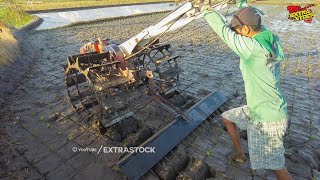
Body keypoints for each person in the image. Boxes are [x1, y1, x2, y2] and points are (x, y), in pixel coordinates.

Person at [199, 1, 292, 180]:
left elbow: (223, 31)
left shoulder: (251, 49)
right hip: (258, 108)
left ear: (247, 30)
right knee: (227, 118)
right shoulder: (265, 35)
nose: (236, 33)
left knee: (277, 168)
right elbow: (249, 12)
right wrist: (241, 3)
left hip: (268, 119)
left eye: (238, 30)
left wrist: (205, 9)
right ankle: (240, 155)